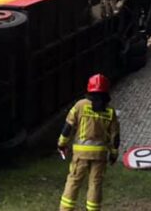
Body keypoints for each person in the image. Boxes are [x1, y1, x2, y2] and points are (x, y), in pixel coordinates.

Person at [57, 74, 120, 211]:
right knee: (96, 184)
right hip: (100, 156)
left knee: (74, 181)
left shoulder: (80, 105)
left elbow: (68, 127)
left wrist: (61, 144)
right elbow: (115, 136)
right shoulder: (110, 111)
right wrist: (114, 154)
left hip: (81, 154)